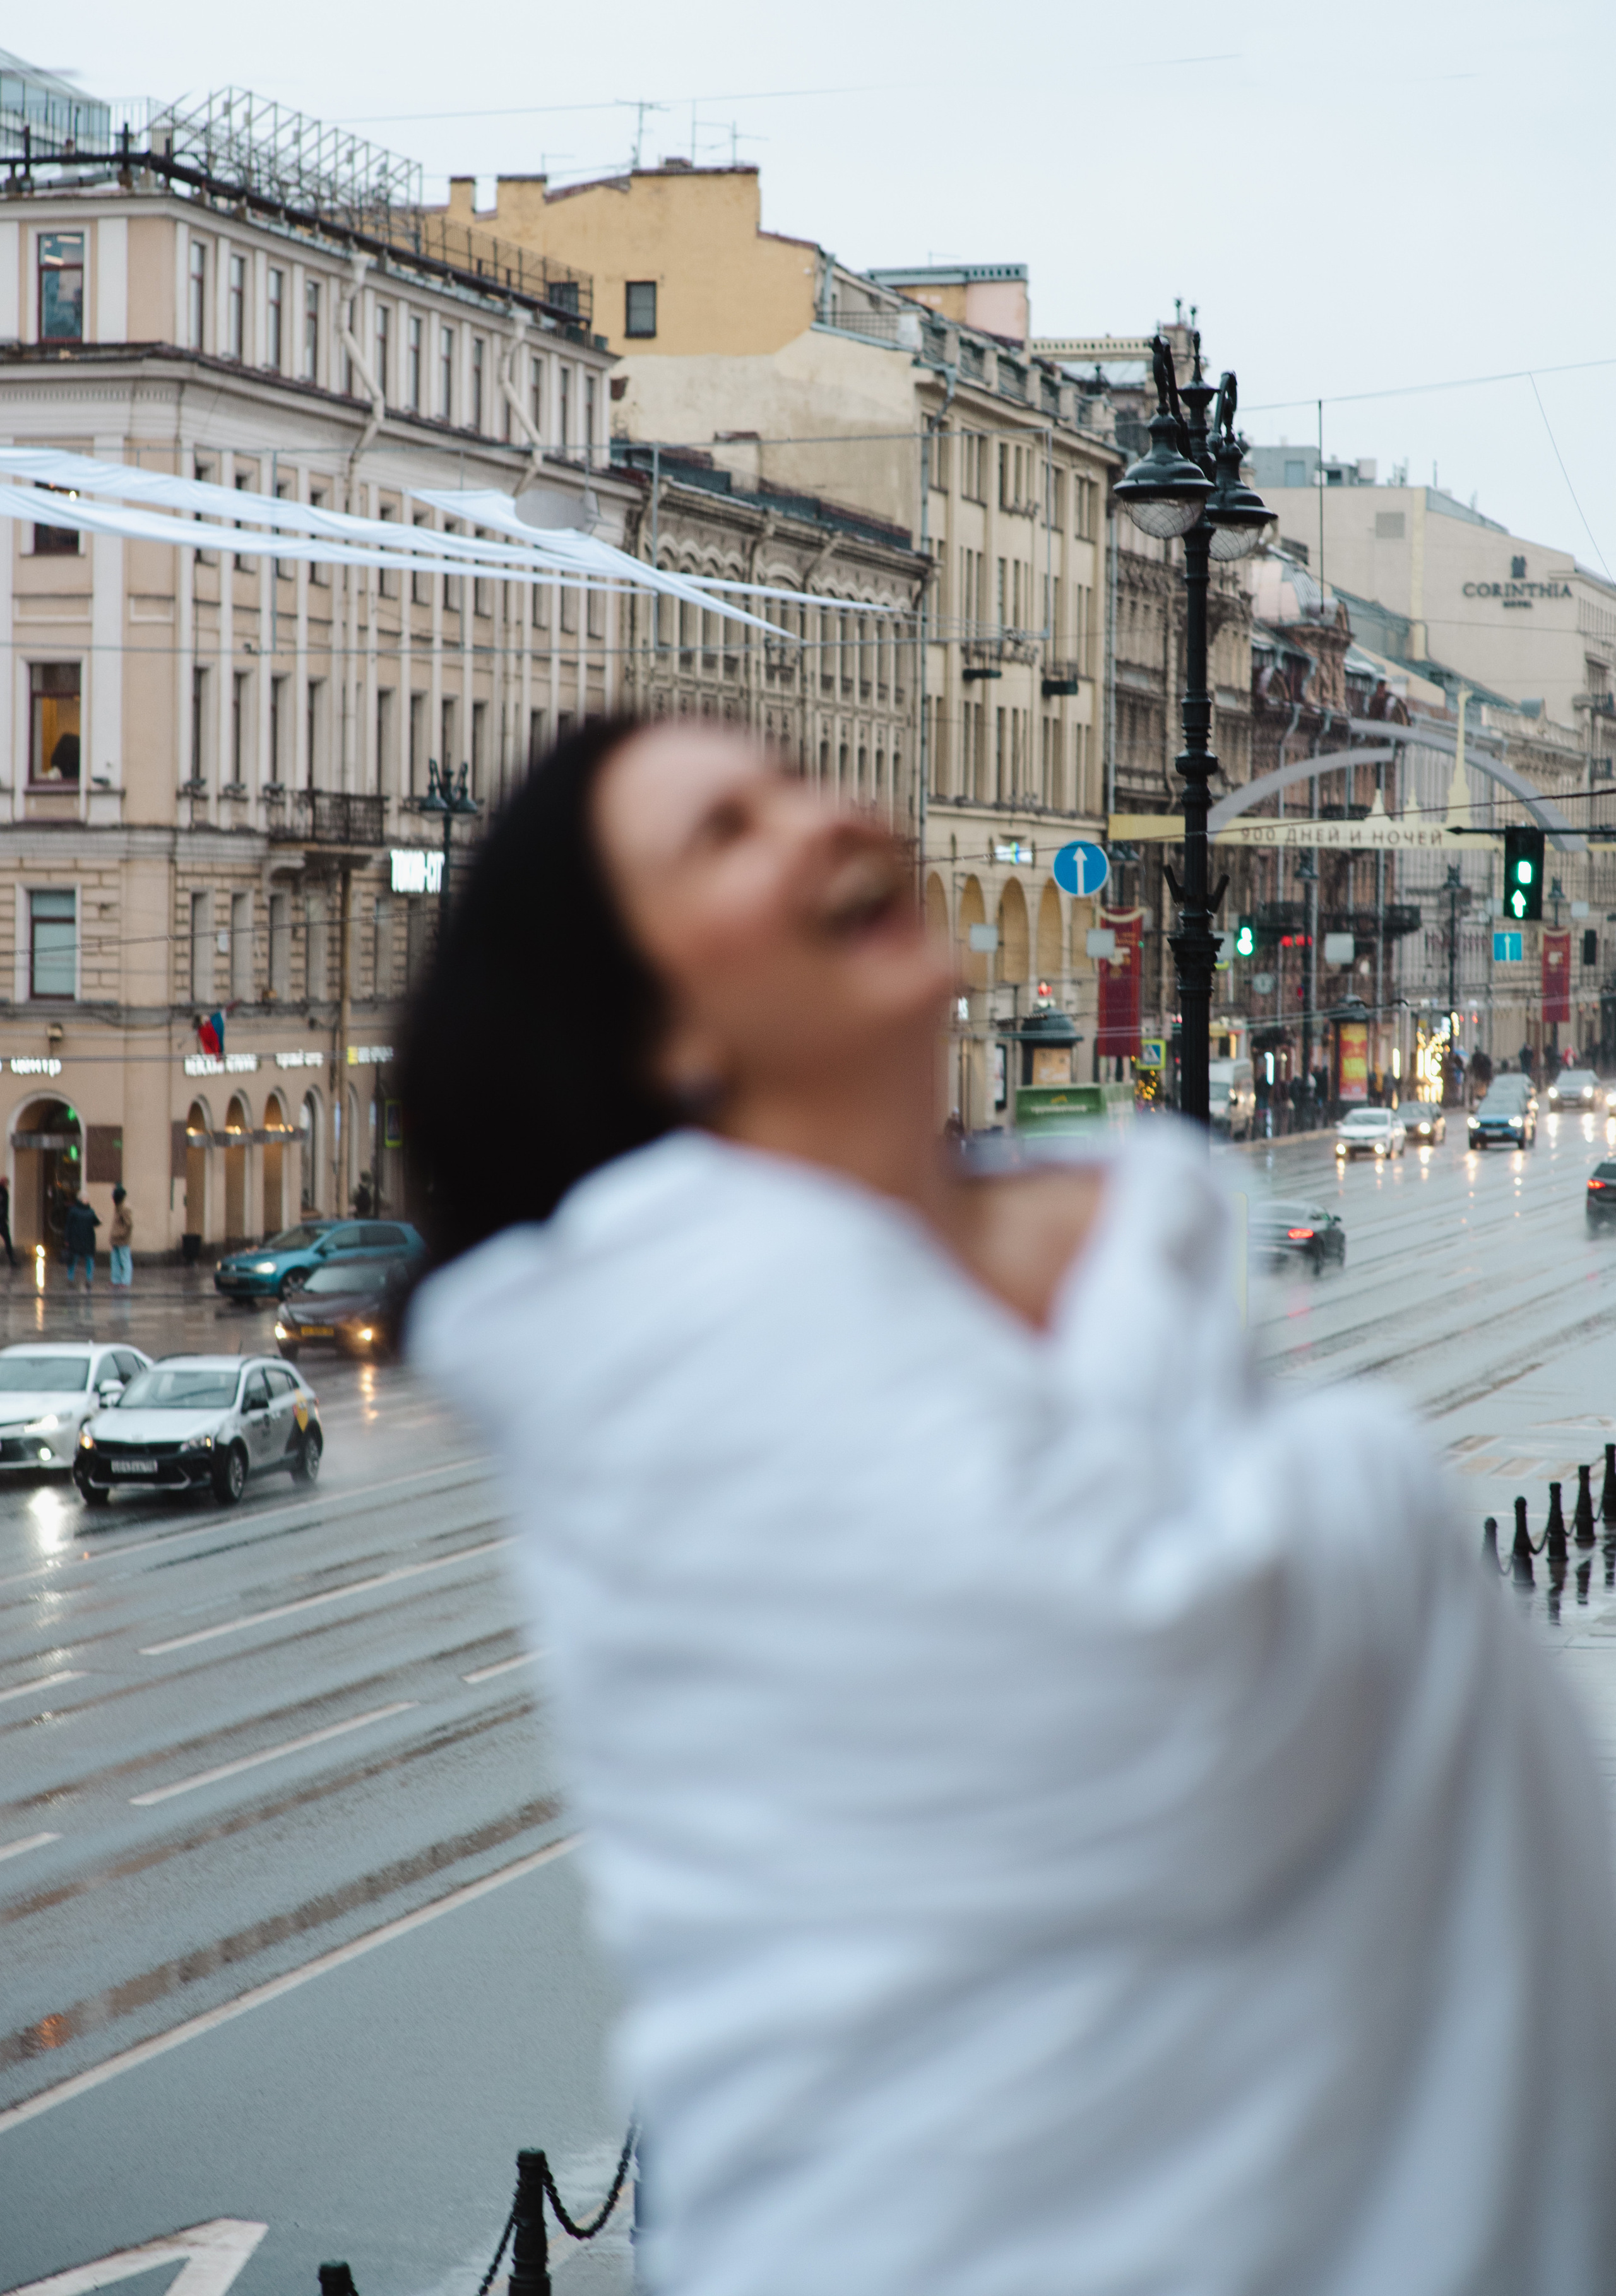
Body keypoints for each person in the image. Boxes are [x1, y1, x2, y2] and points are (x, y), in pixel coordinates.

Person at [405, 720, 1616, 2296]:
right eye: (724, 833)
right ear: (652, 1030)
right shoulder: (659, 1319)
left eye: (795, 781)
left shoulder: (1080, 1268)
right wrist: (1342, 1479)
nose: (827, 816)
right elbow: (1152, 1675)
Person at [62, 1191, 98, 1287]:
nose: (87, 1200)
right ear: (80, 1199)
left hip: (85, 1240)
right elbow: (68, 1226)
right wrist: (67, 1239)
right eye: (85, 1198)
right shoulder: (75, 1211)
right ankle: (70, 1279)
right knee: (74, 1260)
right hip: (79, 1239)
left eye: (87, 1198)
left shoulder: (89, 1211)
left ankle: (89, 1280)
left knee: (89, 1260)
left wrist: (99, 1220)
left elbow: (95, 1222)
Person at [108, 1185, 133, 1287]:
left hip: (122, 1240)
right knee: (115, 1260)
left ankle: (125, 1281)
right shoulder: (118, 1207)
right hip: (115, 1239)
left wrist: (121, 1235)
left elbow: (129, 1225)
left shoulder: (125, 1208)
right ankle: (116, 1280)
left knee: (125, 1260)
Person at [0, 1174, 16, 1271]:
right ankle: (11, 1259)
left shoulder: (4, 1192)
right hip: (1, 1220)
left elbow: (5, 1207)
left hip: (2, 1220)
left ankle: (11, 1258)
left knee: (7, 1239)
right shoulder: (3, 1192)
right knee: (7, 1239)